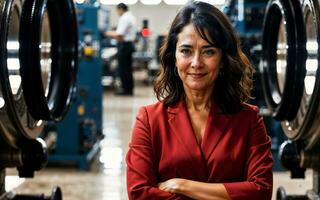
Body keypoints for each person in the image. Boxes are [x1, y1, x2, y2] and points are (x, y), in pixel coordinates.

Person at [126, 2, 273, 200]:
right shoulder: (150, 120)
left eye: (208, 51)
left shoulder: (248, 119)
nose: (196, 63)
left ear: (223, 59)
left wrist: (182, 185)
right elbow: (139, 193)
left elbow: (261, 191)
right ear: (174, 57)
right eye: (186, 51)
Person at [105, 3, 136, 95]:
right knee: (127, 69)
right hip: (128, 45)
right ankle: (128, 89)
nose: (117, 13)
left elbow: (119, 34)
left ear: (121, 9)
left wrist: (105, 33)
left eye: (117, 11)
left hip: (124, 46)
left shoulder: (125, 18)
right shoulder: (131, 16)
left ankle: (126, 90)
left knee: (123, 69)